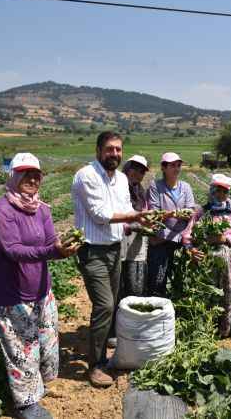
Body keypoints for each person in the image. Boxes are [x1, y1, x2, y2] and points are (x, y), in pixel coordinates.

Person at [0, 152, 79, 419]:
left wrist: (63, 249)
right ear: (13, 176)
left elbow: (50, 241)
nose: (33, 179)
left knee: (46, 339)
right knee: (21, 347)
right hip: (11, 291)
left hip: (39, 287)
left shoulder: (42, 209)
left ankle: (41, 385)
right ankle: (26, 404)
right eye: (26, 173)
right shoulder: (0, 212)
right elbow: (13, 250)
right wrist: (52, 251)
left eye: (37, 174)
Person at [72, 132, 148, 388]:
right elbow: (99, 214)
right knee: (104, 305)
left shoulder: (122, 179)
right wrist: (136, 217)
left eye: (118, 149)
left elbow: (126, 210)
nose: (114, 154)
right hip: (92, 250)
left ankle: (102, 354)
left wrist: (139, 219)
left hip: (115, 248)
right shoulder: (87, 176)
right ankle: (95, 365)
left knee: (112, 304)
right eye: (109, 149)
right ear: (98, 150)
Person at [182, 173, 231, 337]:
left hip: (230, 259)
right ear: (211, 191)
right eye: (217, 191)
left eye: (224, 191)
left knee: (230, 289)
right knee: (210, 291)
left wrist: (226, 238)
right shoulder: (201, 213)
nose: (220, 195)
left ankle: (228, 327)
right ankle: (208, 327)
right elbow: (187, 235)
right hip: (208, 260)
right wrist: (192, 249)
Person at [146, 152, 197, 297]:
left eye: (178, 165)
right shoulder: (156, 187)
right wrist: (173, 214)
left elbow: (191, 211)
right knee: (158, 279)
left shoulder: (185, 187)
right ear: (163, 168)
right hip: (161, 240)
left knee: (180, 279)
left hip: (181, 240)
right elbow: (154, 214)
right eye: (172, 165)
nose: (176, 168)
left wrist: (187, 214)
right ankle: (157, 307)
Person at [120, 155, 151, 298]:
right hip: (120, 243)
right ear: (127, 168)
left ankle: (131, 318)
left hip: (136, 243)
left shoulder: (141, 191)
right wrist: (132, 225)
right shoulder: (117, 188)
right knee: (119, 284)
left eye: (141, 172)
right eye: (135, 169)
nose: (138, 174)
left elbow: (144, 213)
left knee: (135, 286)